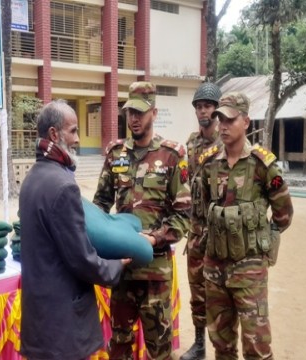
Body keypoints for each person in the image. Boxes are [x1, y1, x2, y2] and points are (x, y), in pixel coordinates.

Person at [19, 100, 126, 360]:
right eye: (73, 131)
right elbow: (81, 259)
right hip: (63, 329)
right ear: (54, 134)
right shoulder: (63, 185)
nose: (77, 139)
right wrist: (117, 266)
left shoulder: (32, 178)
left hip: (39, 323)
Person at [93, 81, 192, 359]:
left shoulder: (172, 156)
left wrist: (153, 238)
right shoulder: (116, 154)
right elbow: (100, 203)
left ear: (154, 113)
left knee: (159, 350)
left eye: (140, 112)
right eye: (130, 112)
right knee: (120, 346)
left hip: (155, 274)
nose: (134, 119)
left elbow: (183, 215)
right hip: (122, 271)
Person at [199, 92, 293, 360]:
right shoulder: (209, 164)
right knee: (221, 343)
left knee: (256, 346)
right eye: (220, 120)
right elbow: (202, 211)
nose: (223, 126)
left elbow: (283, 214)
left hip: (249, 268)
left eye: (230, 120)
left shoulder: (263, 165)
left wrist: (262, 243)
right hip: (215, 268)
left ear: (246, 122)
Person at [181, 81, 222, 360]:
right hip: (196, 230)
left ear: (217, 110)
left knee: (220, 291)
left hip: (220, 232)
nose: (202, 110)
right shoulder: (192, 142)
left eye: (207, 106)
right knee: (197, 290)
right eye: (198, 106)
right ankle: (199, 345)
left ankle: (223, 346)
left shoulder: (226, 142)